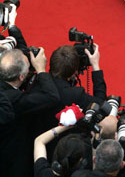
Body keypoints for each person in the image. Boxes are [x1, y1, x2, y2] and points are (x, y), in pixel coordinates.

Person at [31, 44, 107, 160]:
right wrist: (95, 65)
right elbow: (101, 104)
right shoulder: (75, 95)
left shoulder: (35, 84)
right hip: (66, 151)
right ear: (73, 73)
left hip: (36, 147)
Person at [0, 47, 60, 177]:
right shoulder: (13, 99)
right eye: (29, 67)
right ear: (22, 77)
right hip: (11, 161)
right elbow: (52, 97)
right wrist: (41, 70)